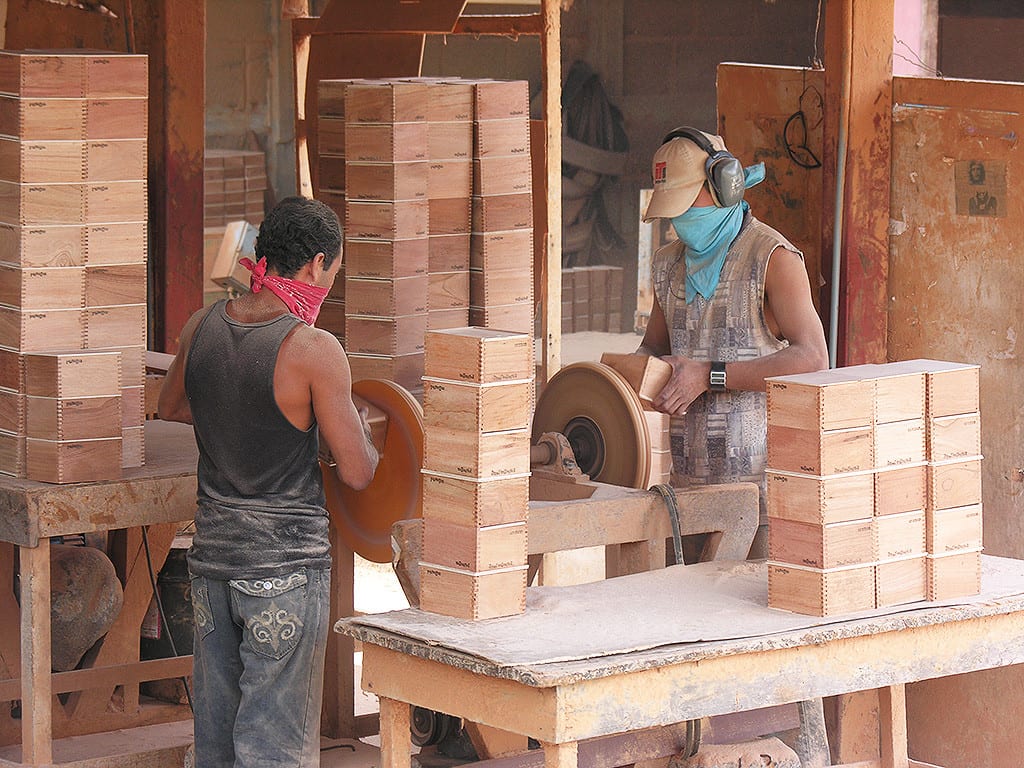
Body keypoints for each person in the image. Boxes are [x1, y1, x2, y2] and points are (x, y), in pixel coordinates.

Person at [158, 196, 379, 767]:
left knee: (216, 744)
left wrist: (237, 417)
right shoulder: (313, 350)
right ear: (316, 264)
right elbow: (357, 472)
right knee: (273, 750)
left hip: (210, 569)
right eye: (334, 271)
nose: (331, 282)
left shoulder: (200, 326)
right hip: (284, 574)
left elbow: (173, 406)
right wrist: (356, 427)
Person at [637, 128, 828, 557]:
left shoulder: (772, 258)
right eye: (674, 209)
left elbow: (814, 359)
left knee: (745, 619)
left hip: (756, 497)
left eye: (689, 204)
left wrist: (709, 375)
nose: (680, 218)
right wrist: (628, 378)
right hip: (682, 494)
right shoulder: (668, 264)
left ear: (725, 186)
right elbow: (652, 347)